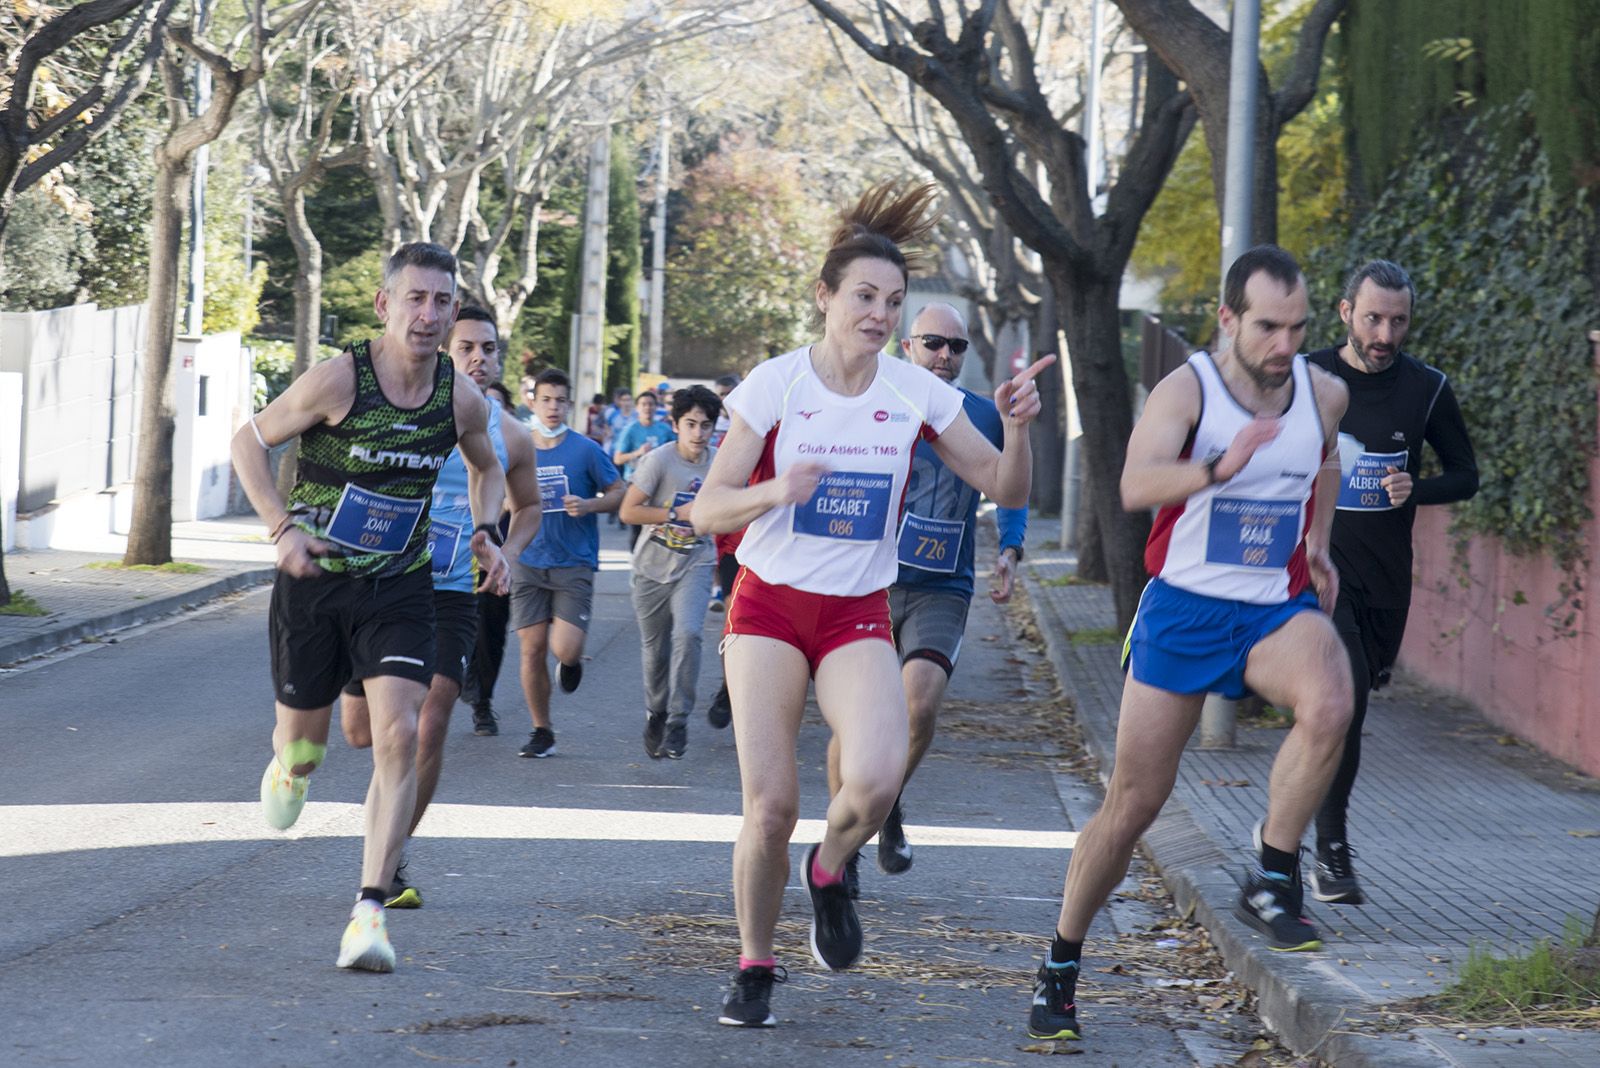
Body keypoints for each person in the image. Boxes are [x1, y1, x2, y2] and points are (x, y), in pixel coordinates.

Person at [693, 181, 1047, 1028]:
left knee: (879, 782)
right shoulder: (775, 386)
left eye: (892, 301)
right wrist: (776, 488)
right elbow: (708, 508)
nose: (879, 314)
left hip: (857, 612)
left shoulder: (916, 393)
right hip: (771, 607)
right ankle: (754, 966)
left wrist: (1021, 426)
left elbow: (1000, 483)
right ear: (824, 297)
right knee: (771, 805)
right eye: (864, 296)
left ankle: (831, 867)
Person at [1026, 245, 1353, 1042]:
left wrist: (1318, 539)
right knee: (1134, 805)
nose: (1285, 345)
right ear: (1229, 319)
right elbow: (1136, 485)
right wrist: (1217, 467)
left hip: (1272, 607)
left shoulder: (1323, 392)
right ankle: (1061, 965)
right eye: (1269, 327)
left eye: (1298, 328)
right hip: (1183, 607)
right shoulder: (1189, 390)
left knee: (1333, 698)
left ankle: (1274, 873)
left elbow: (1328, 457)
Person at [229, 242, 511, 973]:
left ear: (452, 312)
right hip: (317, 580)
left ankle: (369, 911)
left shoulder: (459, 396)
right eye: (414, 299)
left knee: (403, 732)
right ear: (385, 305)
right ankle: (289, 767)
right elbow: (247, 442)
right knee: (306, 746)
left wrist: (486, 532)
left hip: (401, 584)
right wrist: (281, 528)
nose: (427, 314)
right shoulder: (339, 379)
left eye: (441, 301)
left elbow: (487, 466)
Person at [337, 305, 543, 903]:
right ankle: (386, 805)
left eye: (489, 348)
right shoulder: (402, 413)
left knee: (430, 724)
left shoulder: (510, 435)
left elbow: (527, 509)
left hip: (452, 590)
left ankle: (388, 858)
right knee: (360, 733)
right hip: (380, 582)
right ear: (442, 355)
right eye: (466, 349)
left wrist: (504, 551)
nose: (480, 359)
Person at [826, 301, 1028, 896]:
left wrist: (1011, 550)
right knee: (856, 720)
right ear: (907, 345)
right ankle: (852, 831)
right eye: (934, 343)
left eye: (956, 347)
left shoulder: (984, 416)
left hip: (944, 585)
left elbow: (1011, 488)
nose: (945, 355)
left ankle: (880, 805)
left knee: (918, 706)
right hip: (870, 581)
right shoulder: (872, 403)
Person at [1302, 260, 1477, 905]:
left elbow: (1466, 474)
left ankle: (1284, 824)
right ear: (1345, 311)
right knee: (1340, 703)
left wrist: (1415, 489)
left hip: (1386, 581)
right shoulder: (1309, 376)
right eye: (1373, 318)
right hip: (1319, 570)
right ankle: (1330, 848)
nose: (1385, 333)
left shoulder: (1425, 388)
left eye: (1398, 321)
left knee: (1348, 706)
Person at [511, 368, 625, 758]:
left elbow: (618, 491)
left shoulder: (585, 449)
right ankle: (542, 730)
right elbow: (494, 491)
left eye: (560, 400)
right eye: (546, 399)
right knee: (530, 649)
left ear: (570, 404)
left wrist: (590, 504)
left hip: (572, 561)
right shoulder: (517, 446)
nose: (553, 407)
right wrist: (507, 507)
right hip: (527, 558)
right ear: (533, 401)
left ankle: (571, 663)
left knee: (564, 649)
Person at [618, 385, 723, 759]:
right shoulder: (659, 461)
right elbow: (629, 512)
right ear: (676, 425)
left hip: (695, 562)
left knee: (689, 634)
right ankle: (656, 712)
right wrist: (676, 514)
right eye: (690, 424)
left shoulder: (720, 463)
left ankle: (678, 721)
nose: (698, 433)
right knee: (655, 651)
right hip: (651, 567)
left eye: (706, 426)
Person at [462, 377, 519, 735]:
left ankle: (482, 702)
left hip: (491, 546)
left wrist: (499, 544)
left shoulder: (511, 444)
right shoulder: (442, 434)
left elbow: (523, 500)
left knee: (490, 630)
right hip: (441, 550)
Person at [614, 390, 677, 550]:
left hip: (661, 483)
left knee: (659, 526)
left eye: (651, 404)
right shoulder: (631, 430)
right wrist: (638, 453)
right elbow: (618, 458)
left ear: (656, 407)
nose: (647, 408)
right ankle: (636, 561)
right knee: (637, 527)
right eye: (643, 404)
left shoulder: (664, 429)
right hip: (637, 482)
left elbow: (677, 450)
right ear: (637, 408)